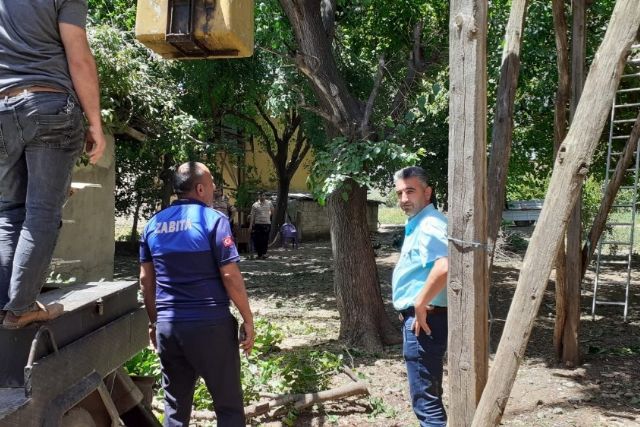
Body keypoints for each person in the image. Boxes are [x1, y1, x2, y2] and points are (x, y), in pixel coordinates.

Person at [0, 1, 106, 329]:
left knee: (8, 211)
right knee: (42, 212)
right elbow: (79, 57)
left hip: (2, 110)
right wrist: (95, 123)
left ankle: (5, 306)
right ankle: (20, 309)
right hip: (49, 104)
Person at [139, 161, 255, 427]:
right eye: (212, 183)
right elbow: (230, 276)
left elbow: (146, 280)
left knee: (175, 409)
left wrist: (155, 322)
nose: (215, 189)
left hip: (170, 327)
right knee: (228, 406)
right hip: (210, 327)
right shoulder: (214, 221)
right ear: (200, 188)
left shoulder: (153, 225)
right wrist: (247, 318)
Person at [392, 166, 448, 427]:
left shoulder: (429, 224)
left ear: (427, 193)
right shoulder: (419, 222)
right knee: (428, 393)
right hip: (423, 317)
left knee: (426, 402)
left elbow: (445, 265)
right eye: (400, 193)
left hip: (424, 321)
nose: (404, 199)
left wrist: (420, 302)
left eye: (410, 191)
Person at [249, 191, 274, 259]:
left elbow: (272, 211)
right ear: (258, 196)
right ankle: (259, 254)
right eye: (260, 196)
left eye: (263, 195)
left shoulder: (269, 203)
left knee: (265, 239)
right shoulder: (255, 205)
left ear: (265, 196)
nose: (262, 197)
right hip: (258, 224)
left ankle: (264, 254)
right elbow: (252, 216)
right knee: (258, 240)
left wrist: (268, 215)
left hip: (267, 224)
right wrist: (250, 226)